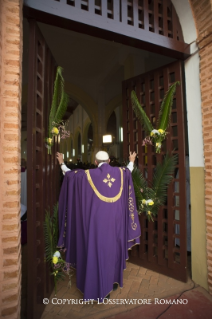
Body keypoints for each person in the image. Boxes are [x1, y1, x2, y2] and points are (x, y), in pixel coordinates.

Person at [56, 150, 141, 302]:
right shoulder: (120, 173)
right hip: (116, 222)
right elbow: (129, 170)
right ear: (109, 161)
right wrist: (132, 159)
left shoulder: (86, 175)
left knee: (97, 252)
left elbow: (70, 176)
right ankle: (113, 283)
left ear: (95, 162)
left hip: (96, 225)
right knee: (113, 250)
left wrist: (62, 162)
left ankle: (100, 287)